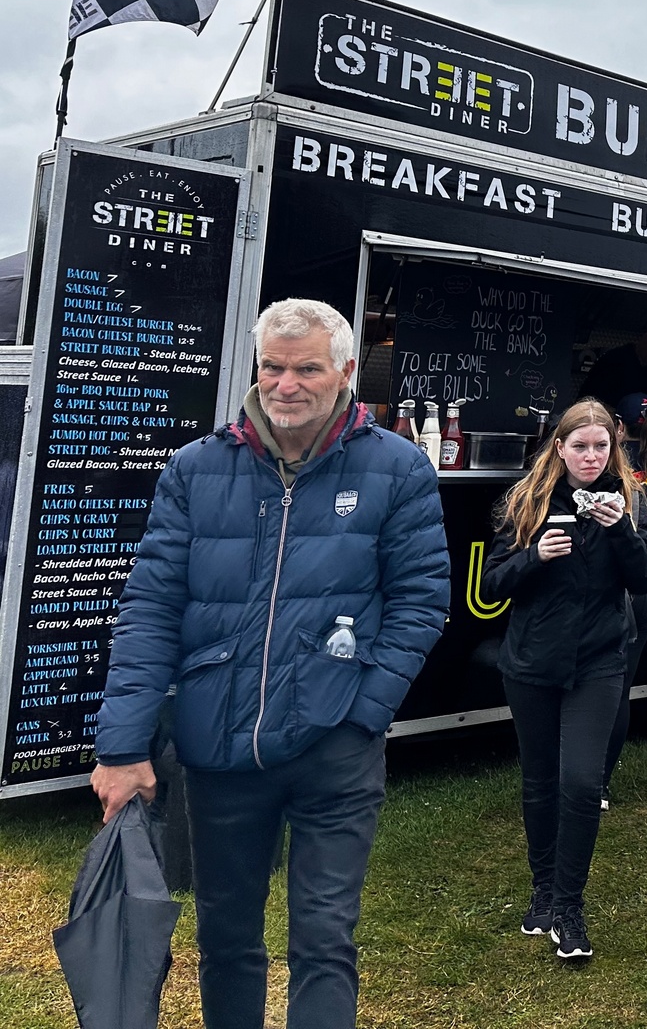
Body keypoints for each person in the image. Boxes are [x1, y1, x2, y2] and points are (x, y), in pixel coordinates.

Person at [91, 299, 449, 1029]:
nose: (286, 385)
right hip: (219, 745)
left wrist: (364, 712)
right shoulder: (196, 469)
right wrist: (122, 745)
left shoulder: (399, 468)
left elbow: (421, 600)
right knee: (225, 939)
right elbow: (151, 607)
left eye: (307, 369)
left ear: (346, 372)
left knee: (324, 941)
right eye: (273, 367)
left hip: (335, 748)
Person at [482, 399, 647, 960]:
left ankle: (569, 904)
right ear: (559, 449)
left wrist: (622, 532)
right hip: (532, 663)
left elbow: (646, 578)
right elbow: (491, 585)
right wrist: (535, 556)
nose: (589, 456)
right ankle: (542, 889)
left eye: (600, 446)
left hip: (599, 662)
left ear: (614, 450)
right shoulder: (527, 500)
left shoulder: (629, 502)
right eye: (579, 446)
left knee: (581, 783)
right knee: (539, 781)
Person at [603, 394, 647, 805]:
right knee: (620, 687)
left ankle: (592, 782)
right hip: (645, 584)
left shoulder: (620, 476)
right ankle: (599, 784)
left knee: (605, 689)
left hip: (627, 588)